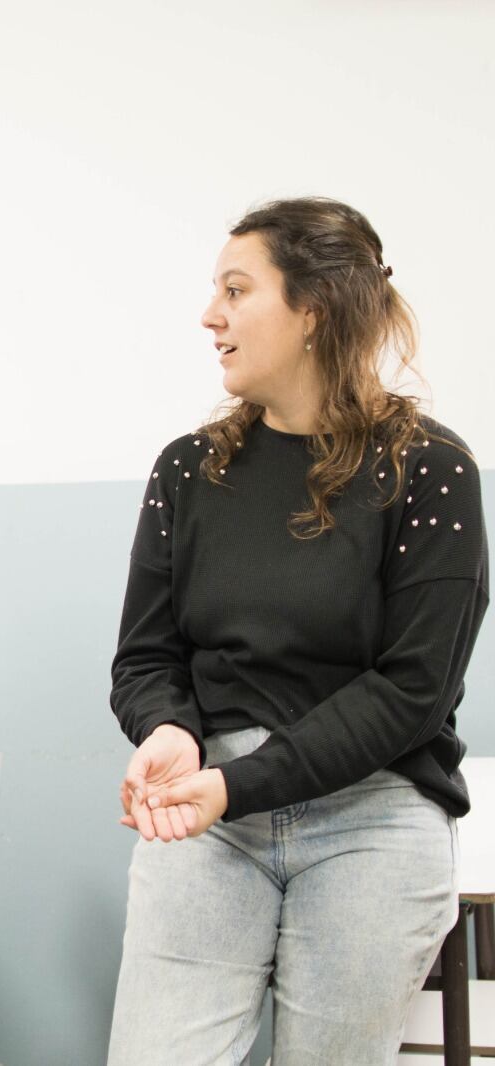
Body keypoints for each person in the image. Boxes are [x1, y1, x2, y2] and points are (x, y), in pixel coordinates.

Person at [107, 197, 486, 1064]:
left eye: (237, 290)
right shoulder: (189, 471)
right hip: (211, 815)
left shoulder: (432, 470)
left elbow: (412, 693)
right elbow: (147, 656)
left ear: (313, 310)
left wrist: (237, 785)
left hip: (375, 815)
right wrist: (167, 729)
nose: (211, 315)